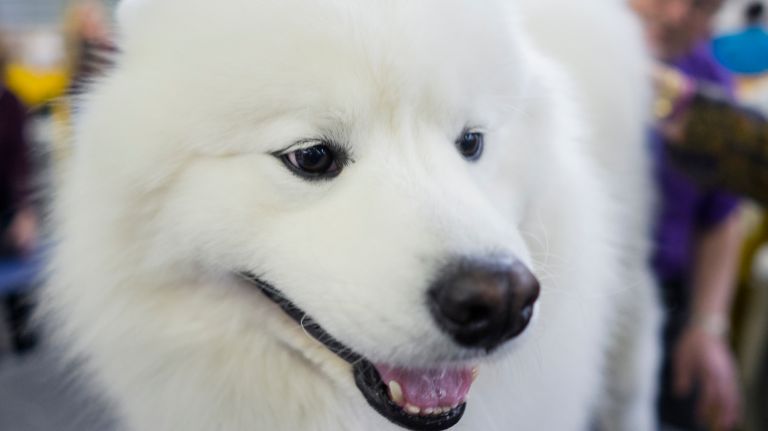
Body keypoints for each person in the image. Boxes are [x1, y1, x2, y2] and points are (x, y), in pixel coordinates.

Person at [630, 1, 744, 430]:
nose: (676, 14)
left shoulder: (711, 84)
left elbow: (720, 219)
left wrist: (708, 325)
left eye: (701, 5)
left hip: (667, 299)